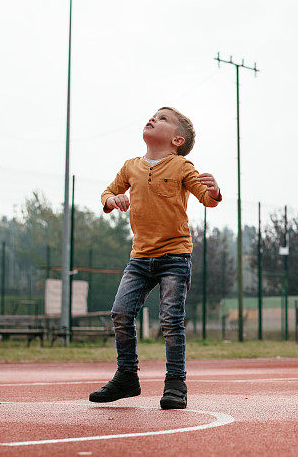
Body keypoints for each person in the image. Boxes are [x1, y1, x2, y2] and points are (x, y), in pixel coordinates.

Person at [89, 106, 222, 409]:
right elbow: (108, 193)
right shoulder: (131, 167)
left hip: (175, 256)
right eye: (154, 115)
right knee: (121, 313)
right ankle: (127, 377)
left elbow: (206, 198)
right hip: (139, 258)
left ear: (177, 140)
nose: (153, 119)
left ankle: (176, 384)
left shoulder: (182, 167)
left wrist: (214, 191)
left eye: (163, 119)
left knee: (170, 321)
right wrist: (113, 199)